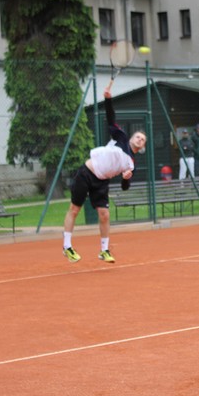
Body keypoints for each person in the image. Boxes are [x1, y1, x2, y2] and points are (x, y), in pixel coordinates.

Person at [62, 84, 147, 264]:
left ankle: (104, 250)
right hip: (87, 172)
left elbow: (125, 187)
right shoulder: (120, 137)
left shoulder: (131, 164)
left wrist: (126, 179)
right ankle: (67, 246)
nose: (139, 139)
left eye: (142, 139)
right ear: (132, 138)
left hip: (101, 182)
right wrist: (108, 99)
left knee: (104, 215)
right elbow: (111, 118)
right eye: (138, 136)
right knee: (74, 209)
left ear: (142, 147)